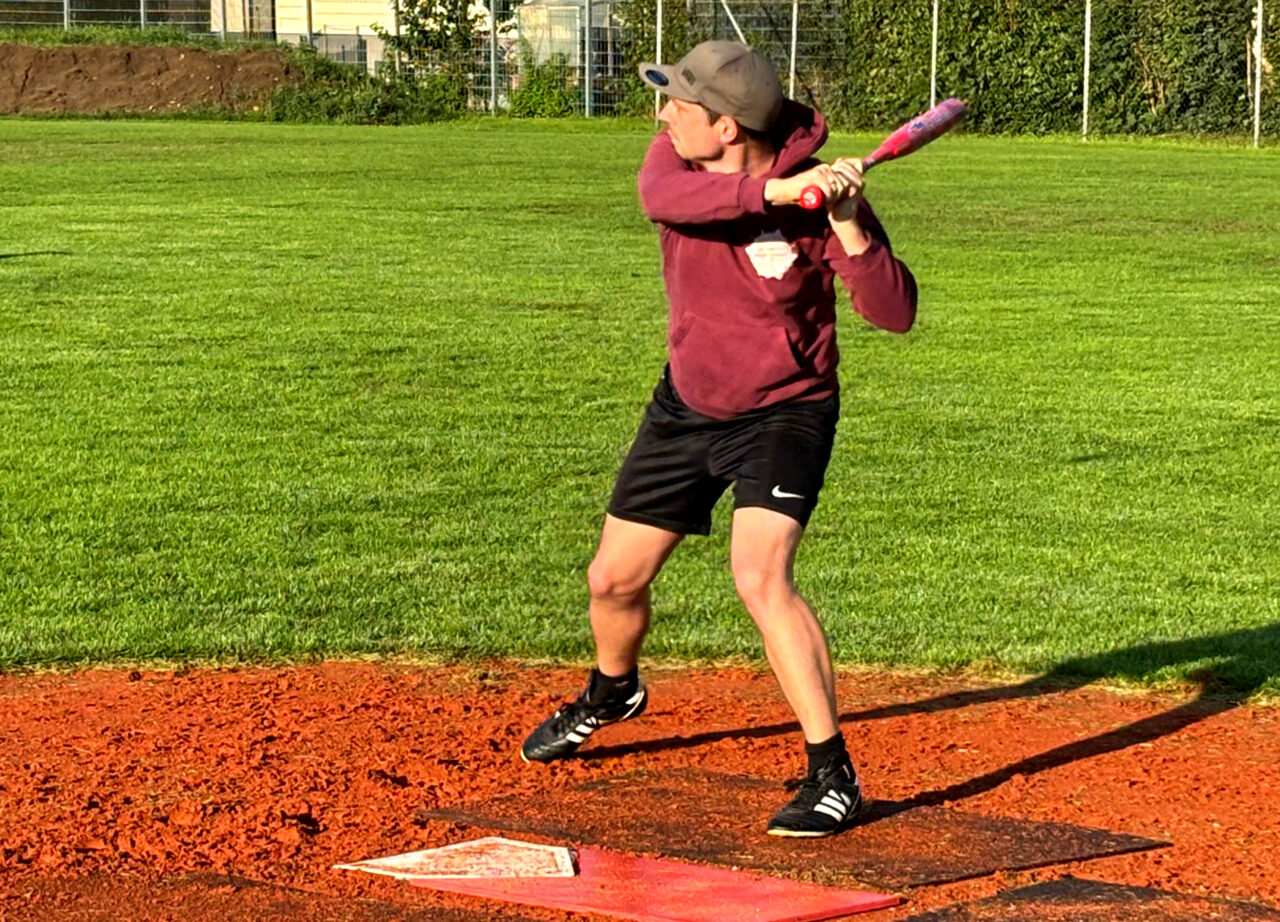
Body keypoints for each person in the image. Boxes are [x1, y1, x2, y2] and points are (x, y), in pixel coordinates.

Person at [520, 40, 917, 838]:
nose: (662, 115)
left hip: (785, 411)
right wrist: (777, 190)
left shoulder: (819, 202)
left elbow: (895, 313)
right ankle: (612, 691)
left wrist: (844, 222)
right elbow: (666, 200)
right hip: (687, 403)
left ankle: (832, 773)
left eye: (677, 102)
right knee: (611, 582)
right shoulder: (674, 165)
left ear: (727, 126)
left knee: (760, 576)